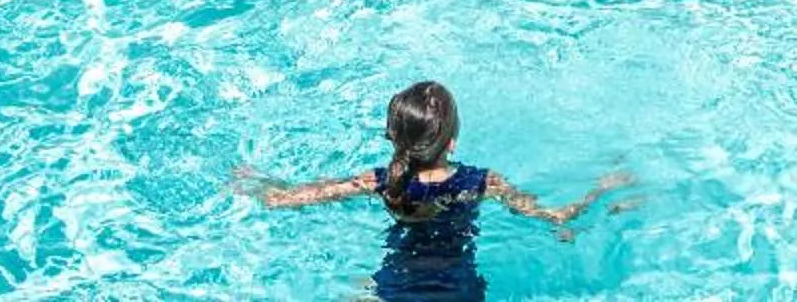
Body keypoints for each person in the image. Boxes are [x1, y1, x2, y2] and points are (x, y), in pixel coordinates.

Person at [240, 80, 628, 301]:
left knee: (362, 290)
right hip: (460, 293)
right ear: (453, 141)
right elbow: (556, 218)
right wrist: (602, 190)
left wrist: (256, 181)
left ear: (394, 138)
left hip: (393, 291)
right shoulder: (481, 182)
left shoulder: (380, 180)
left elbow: (284, 199)